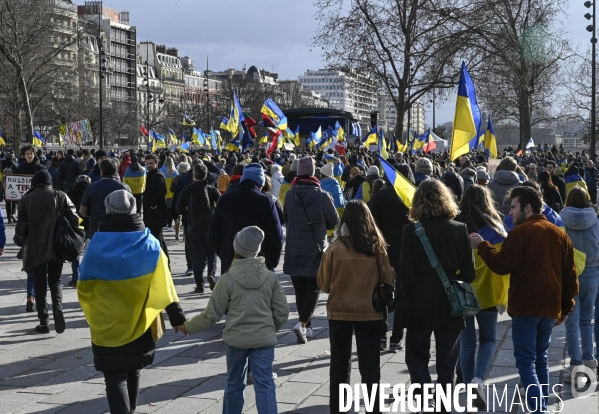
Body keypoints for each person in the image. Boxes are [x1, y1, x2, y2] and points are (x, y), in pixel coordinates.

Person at [470, 186, 578, 413]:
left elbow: (502, 265)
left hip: (527, 307)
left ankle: (539, 409)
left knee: (527, 361)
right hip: (549, 307)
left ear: (527, 208)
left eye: (513, 207)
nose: (509, 213)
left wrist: (482, 246)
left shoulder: (520, 233)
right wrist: (565, 308)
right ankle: (540, 404)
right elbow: (571, 275)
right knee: (541, 358)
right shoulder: (559, 234)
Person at [78, 190, 186, 414]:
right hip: (140, 322)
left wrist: (93, 309)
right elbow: (166, 285)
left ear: (108, 211)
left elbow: (83, 286)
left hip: (105, 321)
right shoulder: (151, 244)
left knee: (114, 376)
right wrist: (177, 318)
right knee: (133, 369)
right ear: (134, 211)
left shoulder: (95, 245)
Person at [176, 226, 289, 414]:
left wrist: (187, 326)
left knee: (234, 383)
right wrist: (269, 328)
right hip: (264, 341)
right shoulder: (270, 278)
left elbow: (211, 315)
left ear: (236, 249)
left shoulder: (227, 280)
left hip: (236, 341)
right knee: (265, 385)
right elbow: (283, 311)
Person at [399, 179, 476, 413]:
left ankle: (423, 400)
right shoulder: (459, 229)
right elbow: (470, 272)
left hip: (420, 299)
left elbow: (405, 273)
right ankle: (443, 406)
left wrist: (413, 291)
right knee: (447, 362)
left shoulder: (411, 230)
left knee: (416, 356)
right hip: (451, 301)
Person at [317, 200, 394, 414]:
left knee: (340, 367)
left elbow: (323, 284)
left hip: (339, 312)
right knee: (370, 368)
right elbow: (388, 281)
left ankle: (338, 410)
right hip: (370, 312)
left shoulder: (335, 247)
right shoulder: (377, 247)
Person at [454, 184, 508, 410]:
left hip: (462, 292)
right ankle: (478, 381)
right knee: (487, 339)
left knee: (466, 343)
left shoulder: (455, 225)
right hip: (486, 292)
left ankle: (468, 388)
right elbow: (504, 263)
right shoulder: (496, 227)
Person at [16, 170, 79, 334]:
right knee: (55, 281)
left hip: (35, 249)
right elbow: (75, 219)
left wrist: (20, 238)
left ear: (34, 183)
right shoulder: (60, 196)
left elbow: (21, 229)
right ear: (50, 182)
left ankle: (44, 321)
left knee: (39, 283)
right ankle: (57, 307)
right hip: (57, 247)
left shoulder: (26, 199)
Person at [284, 157, 339, 344]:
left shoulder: (290, 195)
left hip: (293, 248)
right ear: (314, 173)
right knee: (314, 287)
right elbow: (334, 222)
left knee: (300, 289)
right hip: (314, 248)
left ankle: (305, 325)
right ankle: (302, 323)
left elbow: (286, 218)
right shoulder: (322, 196)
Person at [209, 163, 284, 275]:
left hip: (231, 262)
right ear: (260, 184)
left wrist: (225, 254)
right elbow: (276, 236)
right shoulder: (266, 202)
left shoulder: (225, 200)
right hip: (260, 263)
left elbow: (213, 233)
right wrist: (271, 262)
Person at [369, 168, 414, 352]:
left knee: (382, 291)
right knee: (402, 296)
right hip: (406, 251)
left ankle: (380, 336)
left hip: (383, 249)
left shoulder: (380, 195)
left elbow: (371, 223)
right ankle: (396, 339)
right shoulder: (412, 195)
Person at [560, 186, 599, 383]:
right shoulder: (595, 221)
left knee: (571, 322)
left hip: (569, 274)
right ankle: (589, 360)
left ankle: (575, 365)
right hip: (592, 272)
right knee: (587, 320)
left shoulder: (562, 221)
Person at [176, 163, 220, 293]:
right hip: (209, 227)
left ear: (193, 175)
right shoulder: (211, 189)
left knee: (196, 257)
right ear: (206, 175)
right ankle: (211, 274)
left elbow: (178, 208)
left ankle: (199, 285)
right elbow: (221, 204)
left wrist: (186, 210)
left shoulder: (187, 189)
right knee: (212, 253)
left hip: (193, 227)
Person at [80, 159, 131, 240]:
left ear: (101, 171)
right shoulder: (124, 187)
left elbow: (82, 211)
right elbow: (131, 210)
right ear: (116, 171)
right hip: (118, 228)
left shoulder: (91, 187)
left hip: (97, 228)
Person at [143, 154, 170, 263]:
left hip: (156, 213)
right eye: (147, 163)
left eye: (151, 163)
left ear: (156, 163)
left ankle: (163, 262)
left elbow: (162, 190)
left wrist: (153, 203)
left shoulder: (157, 175)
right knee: (158, 237)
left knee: (157, 237)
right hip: (151, 213)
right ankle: (165, 261)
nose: (149, 165)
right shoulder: (150, 174)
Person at [66, 175, 91, 287]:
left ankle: (75, 277)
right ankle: (89, 278)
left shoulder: (71, 193)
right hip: (90, 224)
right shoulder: (92, 192)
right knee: (90, 252)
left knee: (76, 252)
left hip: (77, 224)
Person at [160, 157, 179, 232]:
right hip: (172, 193)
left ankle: (165, 224)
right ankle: (170, 225)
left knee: (164, 210)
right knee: (170, 210)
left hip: (163, 193)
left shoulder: (161, 171)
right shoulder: (175, 172)